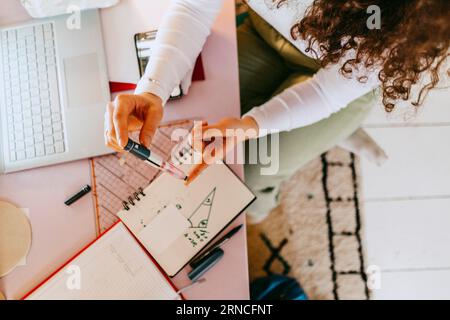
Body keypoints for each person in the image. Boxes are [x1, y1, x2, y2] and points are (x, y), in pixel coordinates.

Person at [104, 0, 449, 222]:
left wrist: (251, 125)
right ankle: (333, 129)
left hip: (341, 81)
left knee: (249, 180)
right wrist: (152, 90)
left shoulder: (411, 14)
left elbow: (326, 92)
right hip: (267, 36)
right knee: (197, 114)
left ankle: (341, 127)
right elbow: (195, 8)